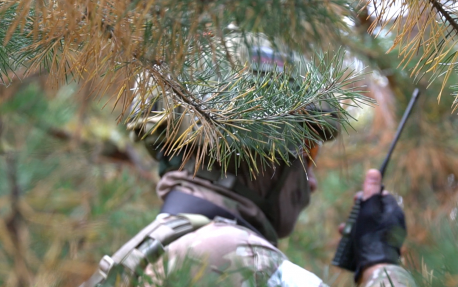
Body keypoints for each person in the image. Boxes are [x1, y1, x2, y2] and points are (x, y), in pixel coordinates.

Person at [82, 35, 417, 287]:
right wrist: (380, 261)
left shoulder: (140, 256)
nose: (311, 182)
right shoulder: (242, 259)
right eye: (307, 153)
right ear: (261, 153)